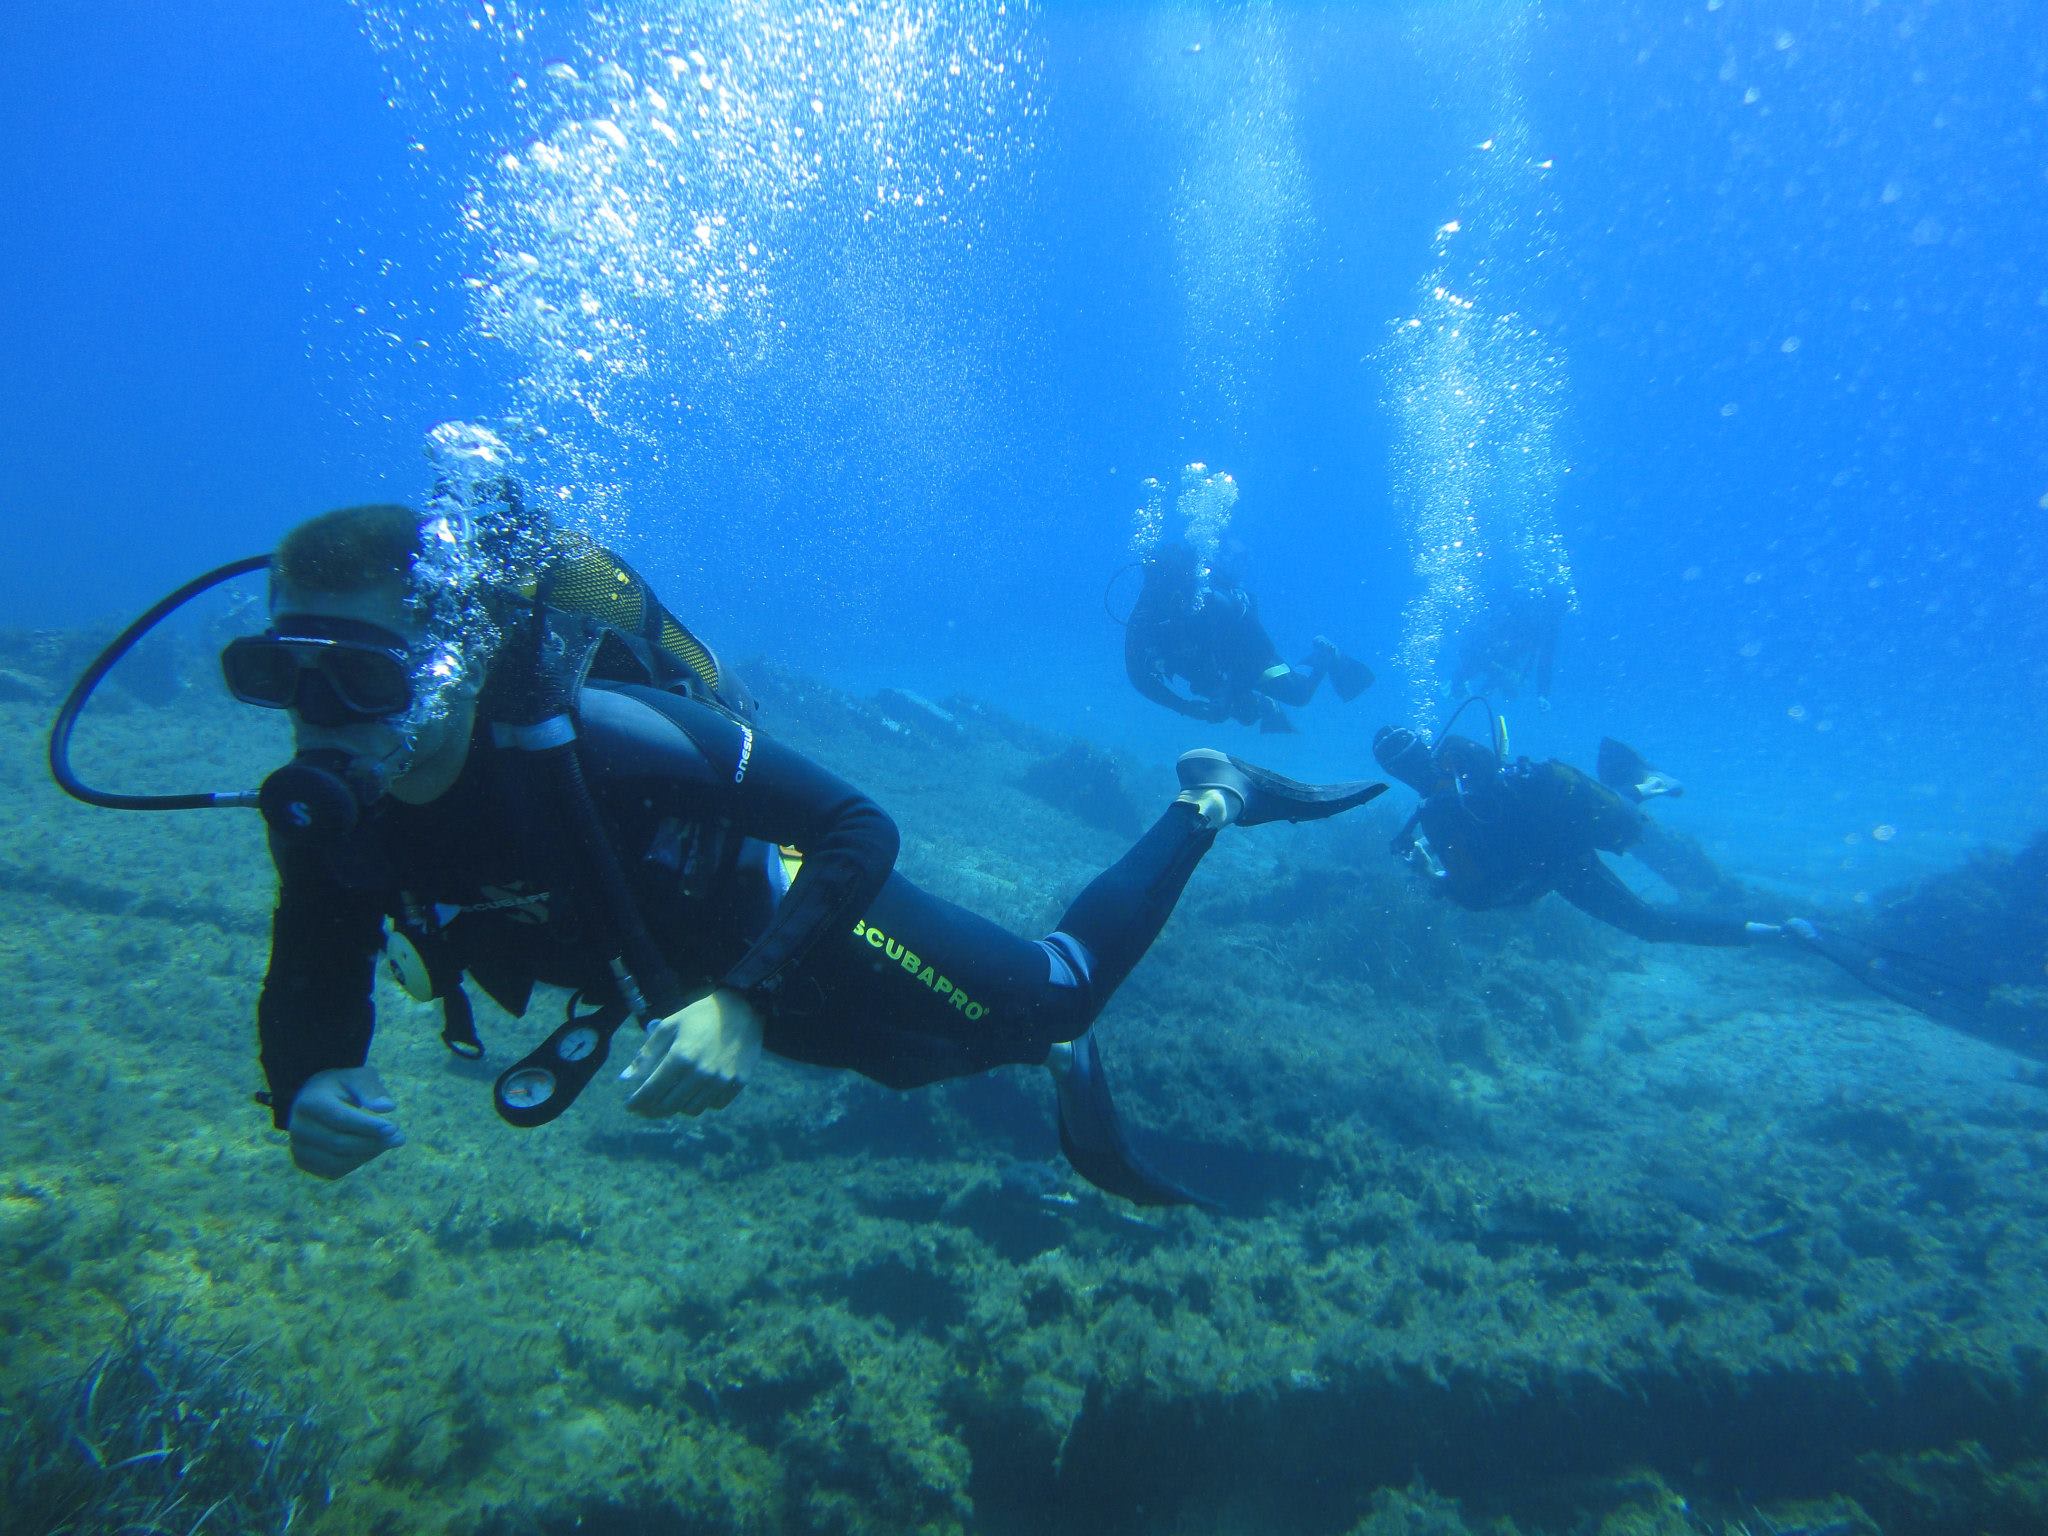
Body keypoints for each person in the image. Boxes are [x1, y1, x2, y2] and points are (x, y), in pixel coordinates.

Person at [238, 504, 1388, 1206]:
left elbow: (856, 829)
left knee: (1046, 1002)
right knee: (901, 1061)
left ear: (460, 653)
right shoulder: (338, 806)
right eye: (283, 675)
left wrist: (740, 997)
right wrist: (309, 1081)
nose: (319, 717)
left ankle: (1211, 795)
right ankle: (1018, 1056)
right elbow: (315, 957)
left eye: (363, 675)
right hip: (678, 977)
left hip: (776, 910)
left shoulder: (599, 739)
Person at [1370, 721, 1783, 948]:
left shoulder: (1436, 817)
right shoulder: (1465, 769)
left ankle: (1779, 934)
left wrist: (1428, 874)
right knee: (1650, 921)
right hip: (1568, 841)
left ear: (1393, 774)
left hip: (1558, 866)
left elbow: (1477, 895)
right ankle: (1646, 785)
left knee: (1650, 925)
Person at [1124, 539, 1373, 734]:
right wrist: (1184, 707)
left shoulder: (1217, 603)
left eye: (1179, 594)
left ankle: (1324, 656)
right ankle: (1262, 706)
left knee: (1299, 694)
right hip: (1209, 668)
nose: (1175, 601)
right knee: (1243, 714)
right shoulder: (1146, 615)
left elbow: (1263, 649)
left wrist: (1231, 689)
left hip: (1248, 658)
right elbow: (1137, 674)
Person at [1449, 583, 1565, 711]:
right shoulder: (1525, 609)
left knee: (1511, 690)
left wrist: (1542, 694)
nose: (1557, 617)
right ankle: (1460, 686)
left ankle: (1478, 689)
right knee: (1467, 676)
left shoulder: (1549, 627)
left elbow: (1545, 662)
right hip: (1487, 648)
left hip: (1502, 653)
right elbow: (1492, 630)